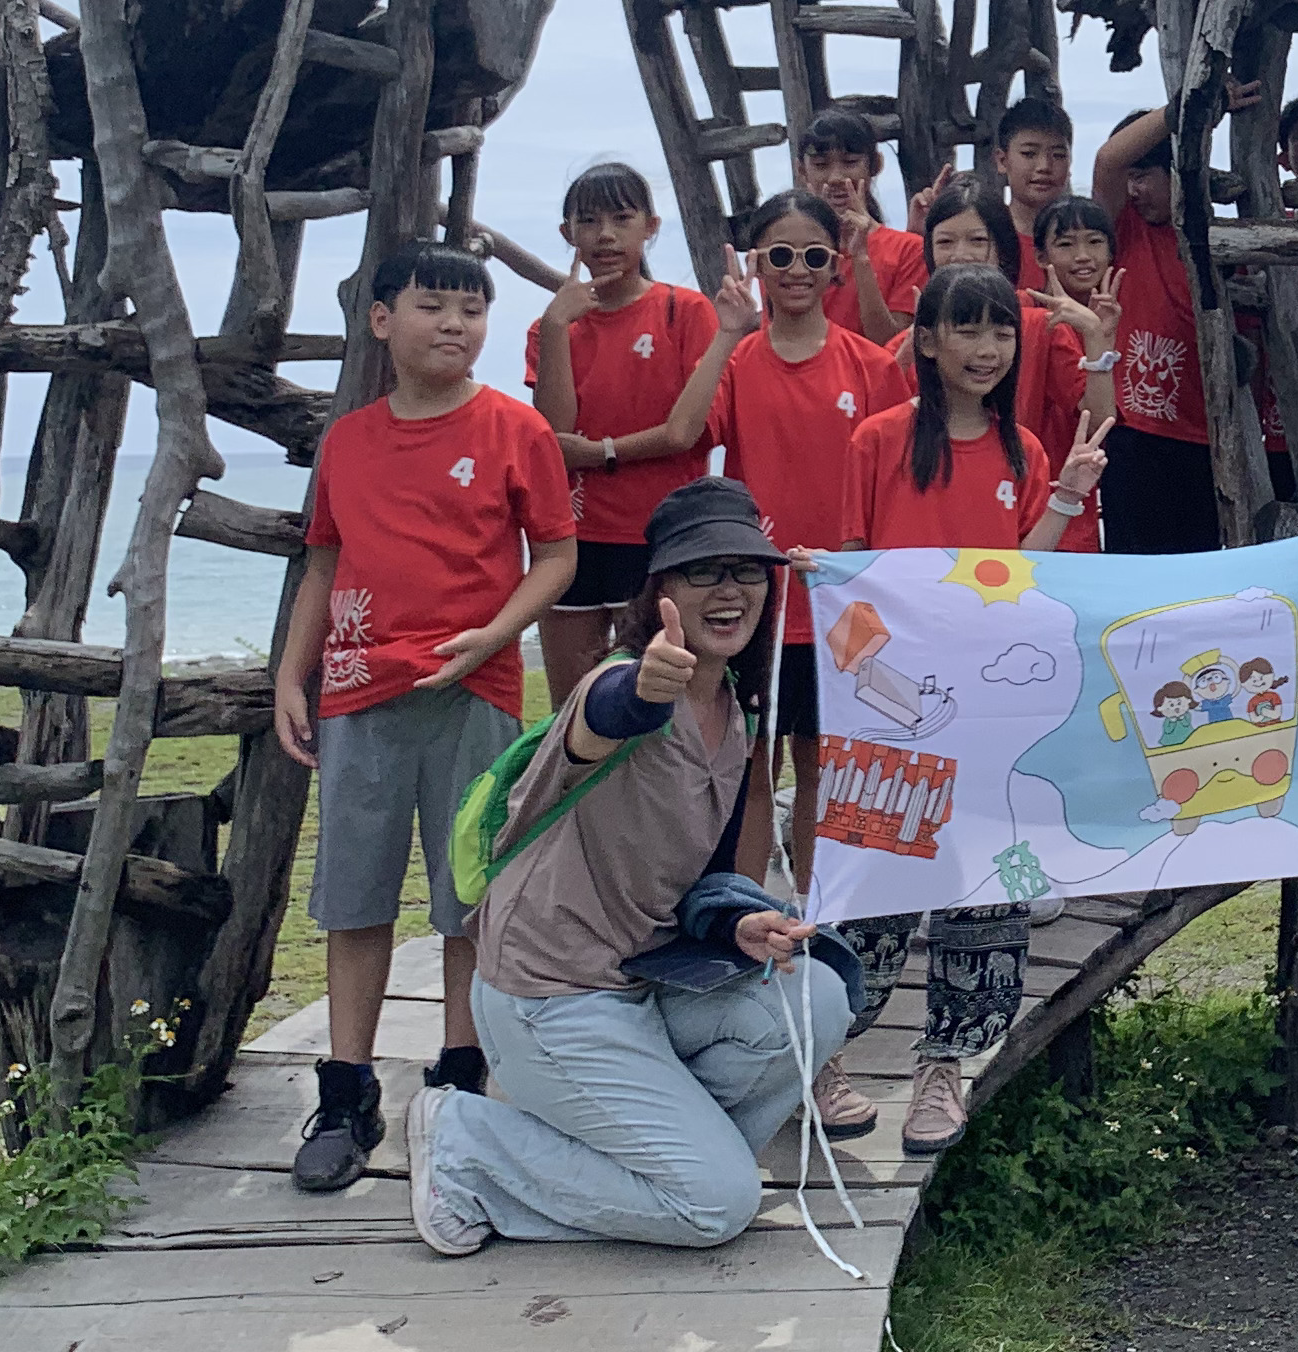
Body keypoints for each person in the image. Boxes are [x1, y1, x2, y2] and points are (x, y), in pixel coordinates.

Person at [406, 476, 855, 1253]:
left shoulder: (737, 713)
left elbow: (694, 878)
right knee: (715, 1208)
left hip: (643, 980)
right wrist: (647, 689)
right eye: (702, 570)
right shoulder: (620, 682)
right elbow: (607, 717)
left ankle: (667, 1164)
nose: (730, 590)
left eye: (747, 570)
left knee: (814, 994)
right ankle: (467, 1139)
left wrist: (741, 919)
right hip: (549, 998)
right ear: (659, 590)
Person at [271, 242, 579, 1189]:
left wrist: (494, 638)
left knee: (469, 899)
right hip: (359, 692)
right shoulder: (350, 439)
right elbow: (324, 560)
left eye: (472, 309)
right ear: (381, 320)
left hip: (473, 694)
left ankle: (458, 1076)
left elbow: (557, 556)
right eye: (434, 305)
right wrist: (292, 673)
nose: (455, 324)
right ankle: (347, 1087)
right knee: (354, 899)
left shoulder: (514, 428)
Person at [842, 263, 1113, 1152]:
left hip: (991, 711)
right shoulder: (878, 440)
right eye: (966, 329)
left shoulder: (1023, 452)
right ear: (926, 341)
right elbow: (854, 565)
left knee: (983, 890)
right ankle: (818, 1054)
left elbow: (1021, 569)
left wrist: (1069, 490)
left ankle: (941, 1070)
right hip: (891, 712)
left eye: (1002, 330)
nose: (987, 348)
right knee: (873, 884)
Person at [689, 188, 908, 1139]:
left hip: (842, 617)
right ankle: (738, 991)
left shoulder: (870, 363)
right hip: (750, 612)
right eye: (777, 258)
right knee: (742, 797)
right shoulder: (736, 360)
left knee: (823, 814)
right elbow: (686, 434)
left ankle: (824, 1037)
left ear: (835, 264)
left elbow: (906, 471)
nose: (794, 276)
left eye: (813, 258)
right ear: (754, 263)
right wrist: (720, 334)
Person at [525, 163, 742, 712]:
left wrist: (602, 453)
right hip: (572, 535)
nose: (604, 235)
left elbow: (686, 432)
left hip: (659, 533)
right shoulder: (551, 326)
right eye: (588, 221)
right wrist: (555, 329)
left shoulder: (684, 311)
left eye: (621, 219)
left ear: (650, 226)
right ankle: (579, 801)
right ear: (566, 234)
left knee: (661, 701)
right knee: (573, 706)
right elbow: (556, 432)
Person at [1088, 105, 1220, 552]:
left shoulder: (1222, 239)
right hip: (1135, 436)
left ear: (1179, 171)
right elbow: (1109, 160)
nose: (1133, 189)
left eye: (1144, 175)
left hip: (1207, 439)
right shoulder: (1122, 229)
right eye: (1131, 176)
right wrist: (1188, 101)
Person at [1023, 195, 1125, 549]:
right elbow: (1099, 423)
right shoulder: (1042, 322)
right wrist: (1096, 336)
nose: (1083, 256)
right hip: (1052, 499)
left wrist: (1102, 333)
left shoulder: (1105, 314)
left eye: (1095, 242)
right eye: (1065, 244)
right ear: (1040, 257)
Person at [798, 105, 926, 340]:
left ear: (875, 165)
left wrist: (861, 260)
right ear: (802, 172)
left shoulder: (909, 250)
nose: (836, 177)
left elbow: (893, 346)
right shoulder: (787, 252)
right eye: (820, 165)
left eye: (850, 162)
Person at [988, 91, 1078, 259]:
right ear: (1002, 160)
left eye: (1058, 155)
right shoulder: (984, 240)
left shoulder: (1086, 245)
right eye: (1029, 153)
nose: (1044, 167)